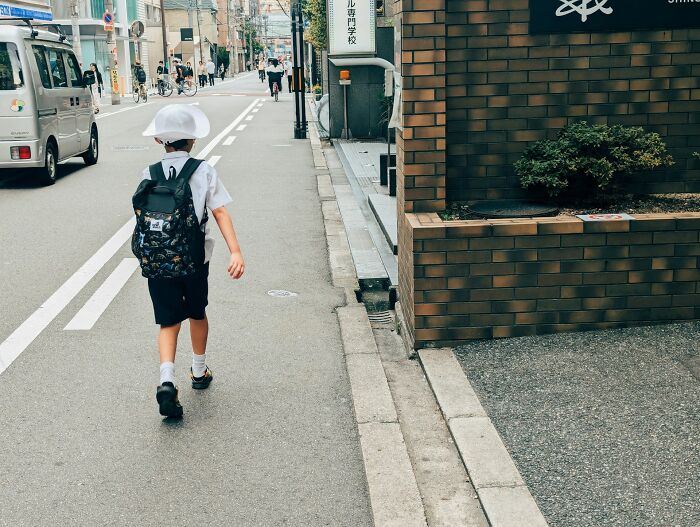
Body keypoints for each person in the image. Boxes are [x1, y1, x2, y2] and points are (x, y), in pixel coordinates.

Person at [137, 104, 245, 418]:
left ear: (160, 141)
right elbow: (220, 212)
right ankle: (199, 371)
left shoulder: (149, 173)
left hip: (159, 260)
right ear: (192, 141)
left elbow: (141, 214)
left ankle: (166, 379)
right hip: (196, 258)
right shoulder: (203, 170)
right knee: (197, 311)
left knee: (168, 321)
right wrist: (235, 251)